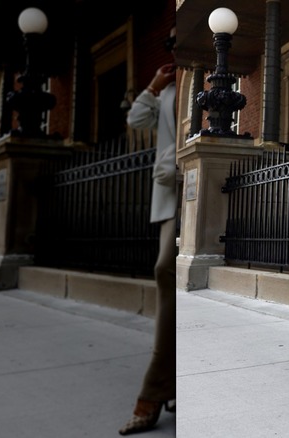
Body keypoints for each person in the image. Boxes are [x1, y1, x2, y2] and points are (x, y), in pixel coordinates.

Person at [119, 24, 178, 435]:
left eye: (179, 40)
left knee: (169, 272)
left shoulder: (215, 75)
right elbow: (136, 118)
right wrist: (154, 87)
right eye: (169, 41)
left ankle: (155, 388)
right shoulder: (172, 87)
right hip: (168, 193)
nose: (175, 47)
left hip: (200, 188)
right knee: (166, 274)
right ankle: (166, 382)